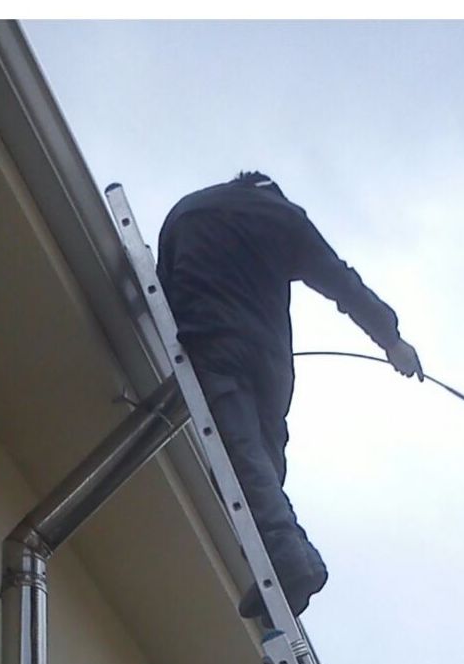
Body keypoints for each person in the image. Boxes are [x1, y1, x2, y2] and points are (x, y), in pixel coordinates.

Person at [158, 171, 422, 622]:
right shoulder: (283, 217)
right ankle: (289, 559)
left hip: (212, 342)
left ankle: (288, 559)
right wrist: (391, 340)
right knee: (262, 459)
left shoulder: (187, 211)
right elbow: (343, 284)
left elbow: (161, 295)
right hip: (268, 363)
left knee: (242, 456)